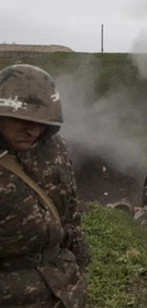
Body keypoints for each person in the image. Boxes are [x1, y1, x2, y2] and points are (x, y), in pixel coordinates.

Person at [0, 64, 89, 307]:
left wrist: (78, 262)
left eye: (42, 122)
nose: (34, 130)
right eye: (23, 120)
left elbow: (70, 209)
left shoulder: (55, 149)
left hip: (65, 290)